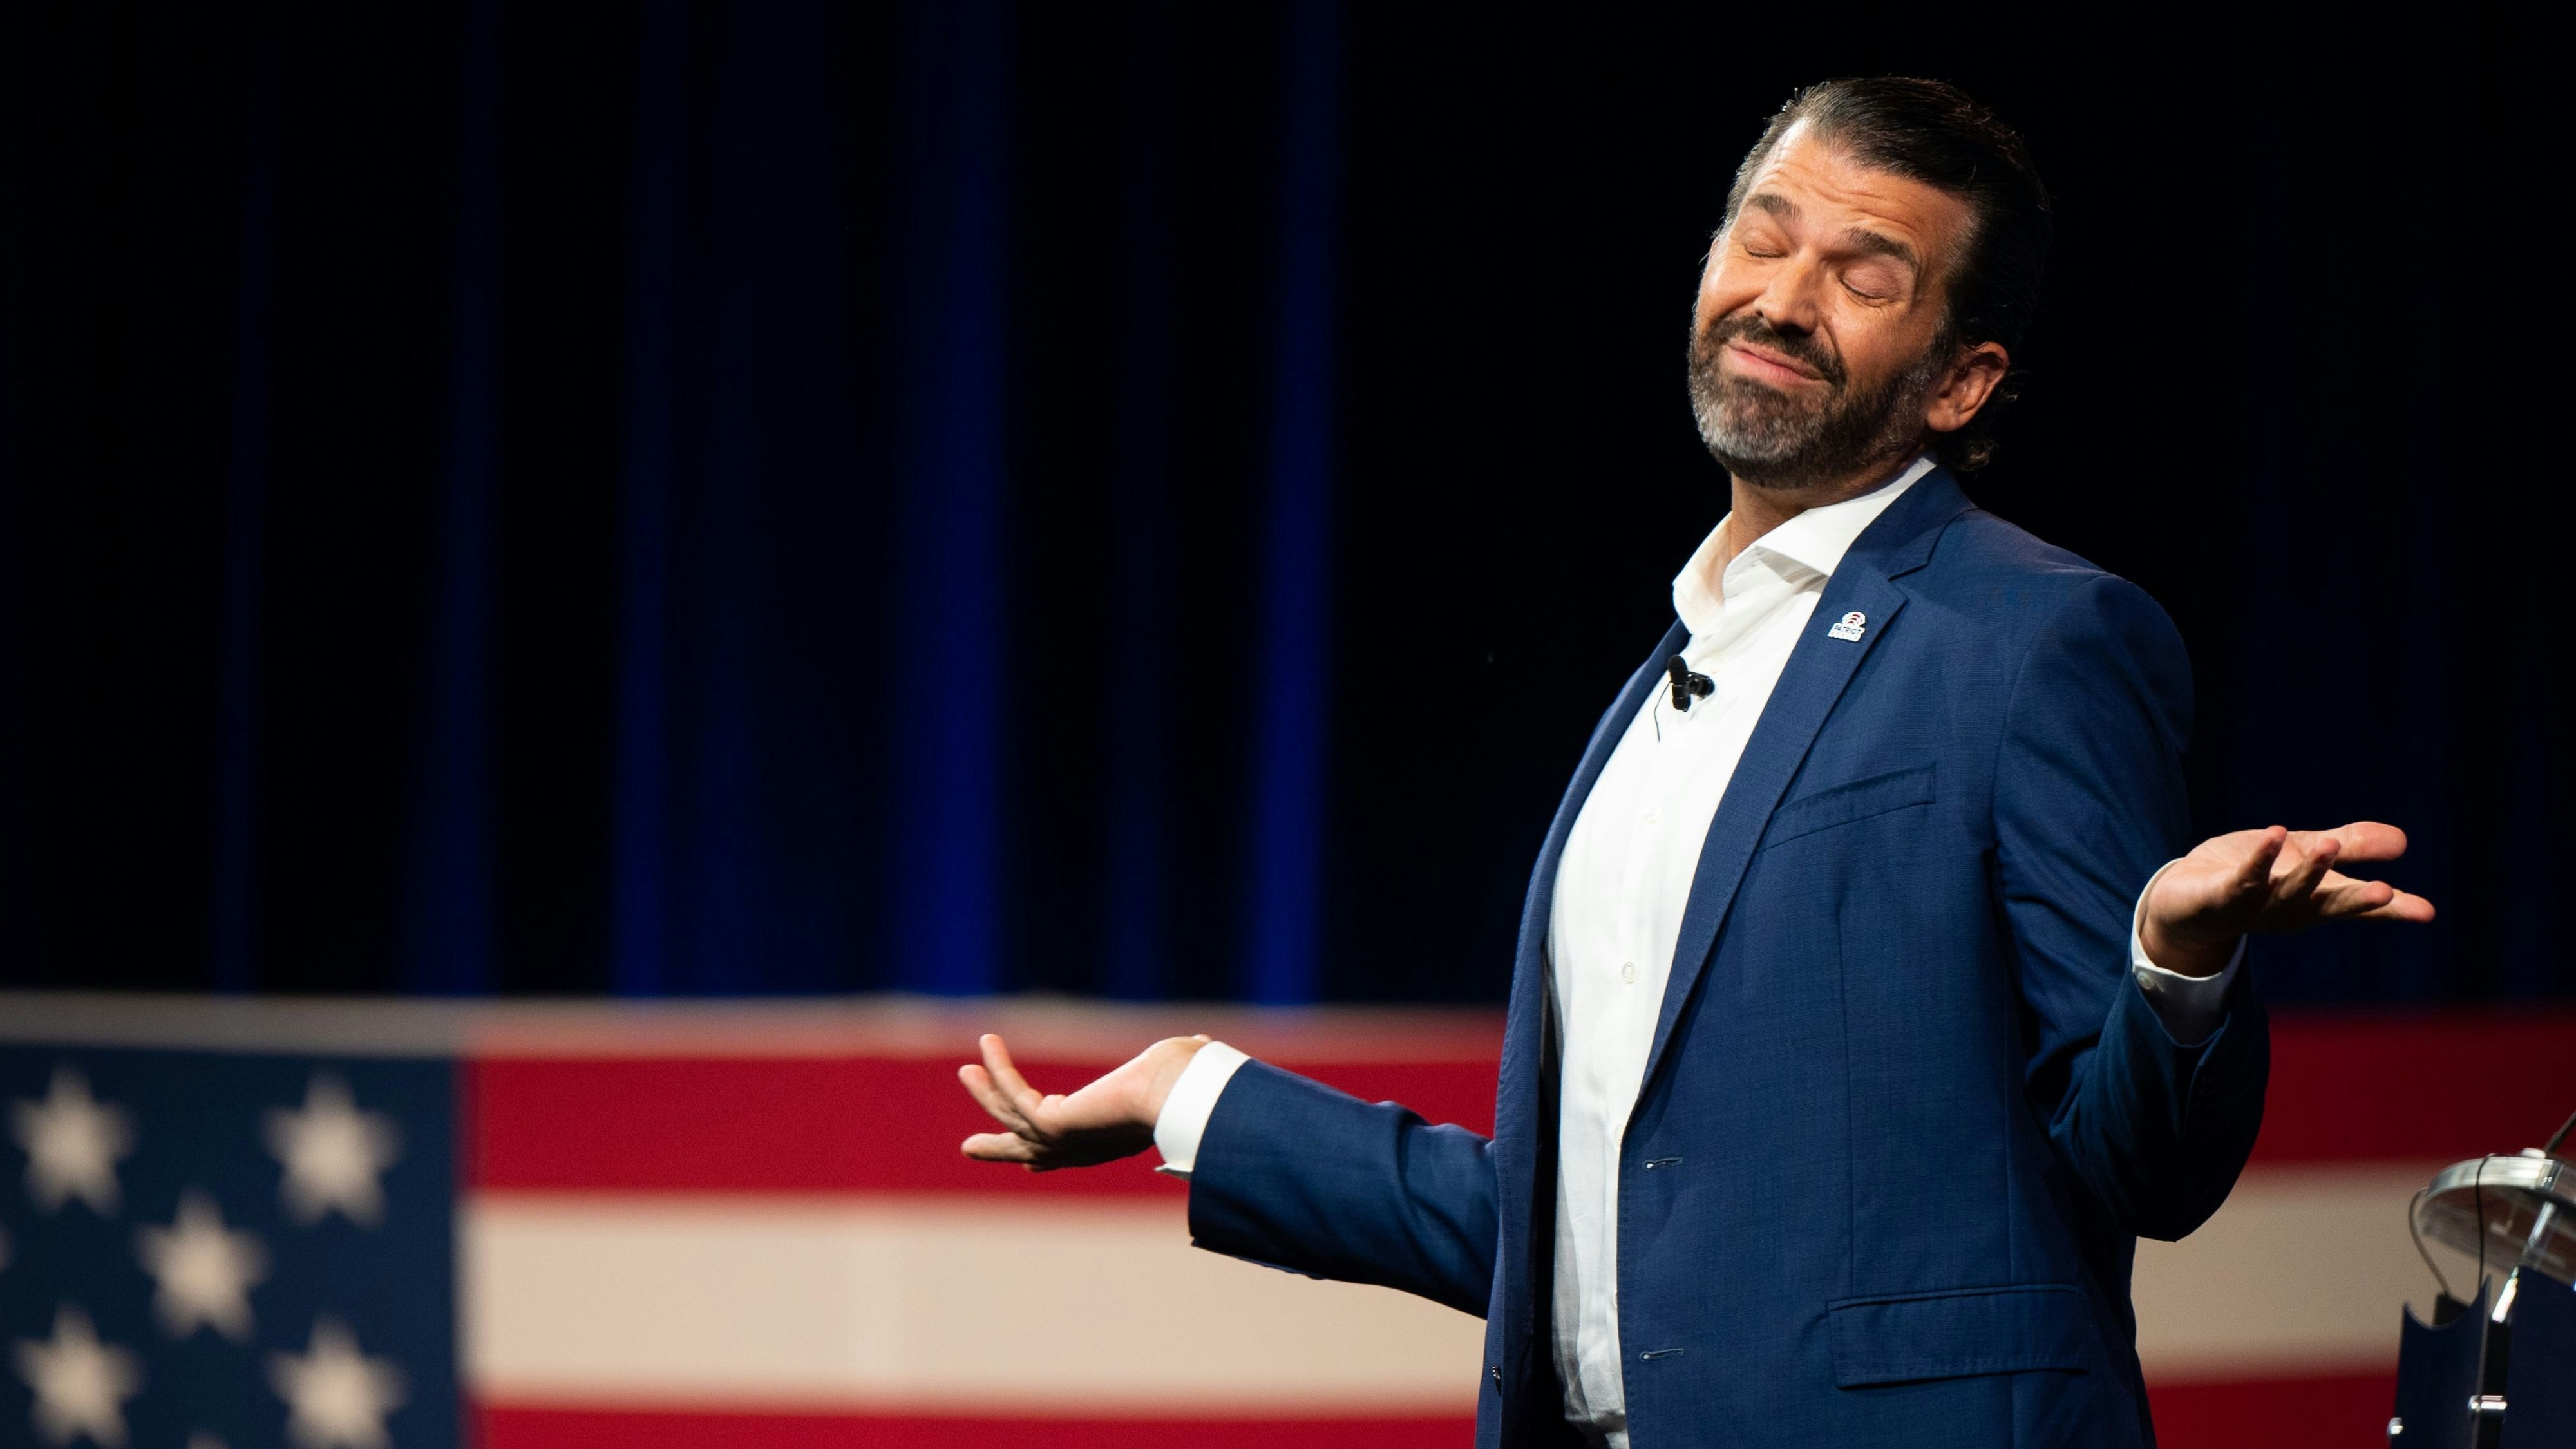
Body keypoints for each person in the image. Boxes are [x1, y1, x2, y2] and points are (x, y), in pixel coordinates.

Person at [955, 77, 2432, 1449]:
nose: (1782, 299)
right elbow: (1592, 1244)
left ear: (1959, 383)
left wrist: (2172, 968)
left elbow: (2143, 1173)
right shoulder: (1657, 695)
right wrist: (1192, 1094)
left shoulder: (2031, 639)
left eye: (1863, 276)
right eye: (1761, 236)